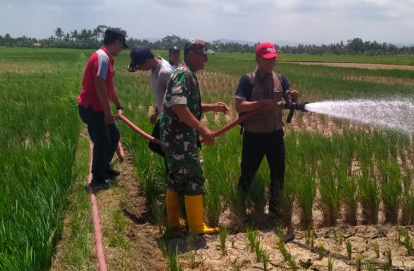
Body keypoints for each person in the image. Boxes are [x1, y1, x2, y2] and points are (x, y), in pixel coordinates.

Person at [159, 40, 229, 236]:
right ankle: (197, 227)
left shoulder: (184, 74)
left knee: (176, 178)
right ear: (190, 54)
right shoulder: (183, 75)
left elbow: (186, 105)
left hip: (175, 136)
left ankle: (174, 224)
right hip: (180, 138)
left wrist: (212, 107)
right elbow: (179, 108)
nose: (206, 58)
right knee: (194, 177)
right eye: (203, 54)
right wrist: (203, 129)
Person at [234, 42, 299, 228]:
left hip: (275, 135)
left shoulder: (281, 79)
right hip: (253, 136)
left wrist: (293, 97)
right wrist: (261, 103)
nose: (271, 63)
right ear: (257, 59)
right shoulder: (247, 80)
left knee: (278, 173)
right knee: (247, 173)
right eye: (267, 59)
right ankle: (240, 210)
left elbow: (287, 99)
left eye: (273, 59)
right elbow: (239, 106)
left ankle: (275, 211)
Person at [77, 27, 128, 187]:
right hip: (92, 107)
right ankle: (98, 177)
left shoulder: (105, 58)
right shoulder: (102, 58)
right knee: (102, 141)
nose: (121, 49)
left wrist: (119, 105)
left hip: (98, 106)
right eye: (122, 45)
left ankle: (104, 167)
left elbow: (109, 86)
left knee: (113, 135)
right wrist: (107, 112)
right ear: (117, 42)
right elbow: (99, 84)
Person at [127, 45, 174, 157]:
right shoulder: (153, 69)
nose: (139, 69)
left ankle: (184, 162)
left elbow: (175, 98)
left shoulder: (166, 72)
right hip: (164, 116)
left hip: (172, 120)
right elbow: (164, 96)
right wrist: (156, 112)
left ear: (147, 61)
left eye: (139, 66)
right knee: (157, 146)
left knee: (162, 147)